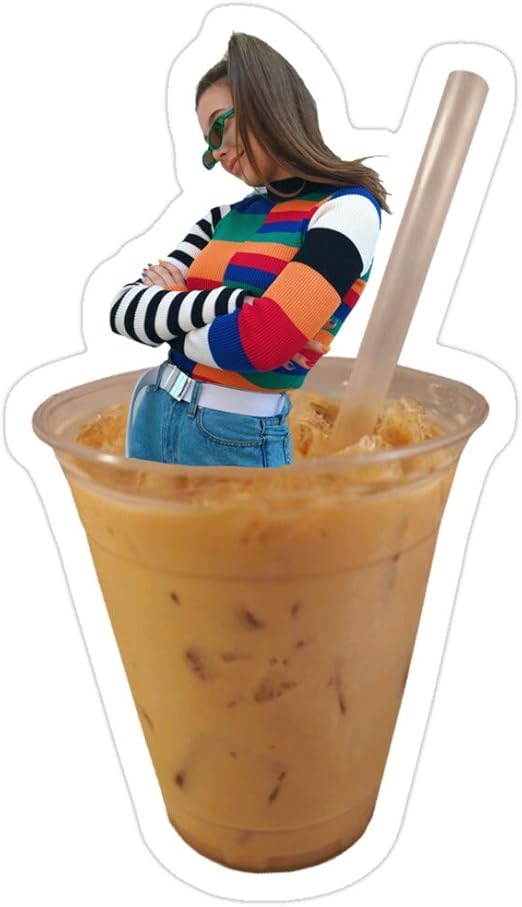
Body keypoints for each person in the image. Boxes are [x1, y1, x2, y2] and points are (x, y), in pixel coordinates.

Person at [110, 32, 389, 468]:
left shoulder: (347, 210)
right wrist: (234, 304)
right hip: (152, 411)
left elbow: (263, 343)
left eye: (218, 127)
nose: (218, 153)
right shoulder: (221, 218)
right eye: (209, 145)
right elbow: (125, 311)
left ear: (266, 100)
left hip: (235, 438)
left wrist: (174, 309)